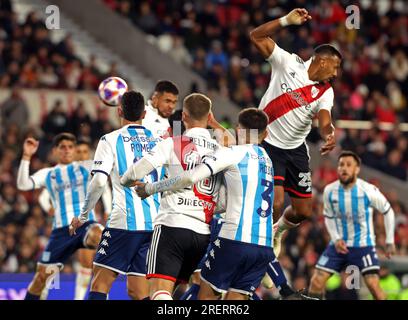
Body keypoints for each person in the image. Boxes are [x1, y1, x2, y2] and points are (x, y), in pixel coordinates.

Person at [128, 108, 313, 300]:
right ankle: (284, 289)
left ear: (237, 129)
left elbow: (191, 176)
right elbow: (275, 202)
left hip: (233, 240)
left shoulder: (232, 153)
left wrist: (150, 188)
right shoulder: (268, 160)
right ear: (265, 134)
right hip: (263, 247)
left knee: (206, 296)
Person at [249, 8, 341, 257]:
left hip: (296, 149)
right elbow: (256, 36)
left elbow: (324, 119)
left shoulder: (326, 91)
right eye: (335, 67)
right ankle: (262, 252)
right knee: (277, 203)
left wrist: (328, 133)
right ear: (322, 61)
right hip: (269, 144)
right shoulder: (287, 63)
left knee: (302, 211)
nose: (335, 73)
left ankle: (277, 232)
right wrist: (285, 21)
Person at [120, 93, 223, 300]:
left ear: (183, 116)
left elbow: (133, 173)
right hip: (202, 234)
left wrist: (128, 182)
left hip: (172, 226)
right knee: (173, 292)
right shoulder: (222, 151)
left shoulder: (172, 143)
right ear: (210, 115)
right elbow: (222, 201)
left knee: (159, 292)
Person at [69, 91, 161, 300]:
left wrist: (83, 216)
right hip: (153, 226)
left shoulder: (110, 139)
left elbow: (100, 181)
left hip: (123, 224)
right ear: (144, 114)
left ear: (119, 111)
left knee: (100, 284)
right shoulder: (158, 141)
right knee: (138, 292)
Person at [16, 133, 103, 300]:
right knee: (41, 278)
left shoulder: (86, 166)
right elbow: (22, 184)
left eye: (71, 147)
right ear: (55, 151)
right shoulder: (48, 173)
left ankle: (104, 285)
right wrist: (27, 156)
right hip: (60, 232)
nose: (67, 150)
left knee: (100, 235)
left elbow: (108, 170)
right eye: (62, 147)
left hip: (85, 225)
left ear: (75, 150)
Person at [308, 151, 396, 300]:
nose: (344, 168)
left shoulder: (368, 190)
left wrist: (389, 241)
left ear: (357, 169)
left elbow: (388, 211)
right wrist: (336, 239)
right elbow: (328, 217)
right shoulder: (330, 191)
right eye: (341, 164)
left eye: (349, 165)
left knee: (374, 285)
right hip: (338, 246)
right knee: (316, 281)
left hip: (363, 246)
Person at [38, 139, 112, 300]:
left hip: (86, 224)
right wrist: (48, 207)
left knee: (88, 262)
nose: (83, 155)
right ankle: (42, 291)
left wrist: (107, 210)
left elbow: (104, 188)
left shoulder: (91, 170)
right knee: (53, 264)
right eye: (80, 152)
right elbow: (44, 195)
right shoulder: (62, 173)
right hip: (64, 225)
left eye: (86, 152)